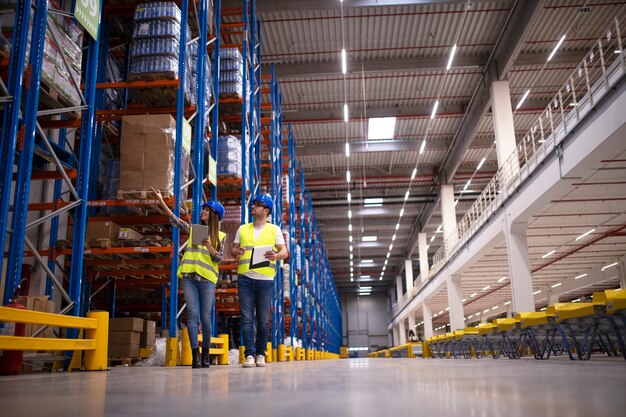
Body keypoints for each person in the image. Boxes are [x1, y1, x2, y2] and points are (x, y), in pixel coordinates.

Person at [152, 186, 225, 369]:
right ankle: (196, 355)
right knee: (192, 315)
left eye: (207, 210)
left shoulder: (220, 236)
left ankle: (206, 353)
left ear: (214, 215)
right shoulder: (196, 229)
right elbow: (175, 221)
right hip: (189, 277)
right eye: (203, 209)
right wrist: (162, 201)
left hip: (207, 280)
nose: (203, 212)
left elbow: (219, 258)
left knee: (206, 318)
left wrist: (209, 246)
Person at [231, 193, 288, 368]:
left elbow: (284, 252)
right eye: (253, 204)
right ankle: (249, 354)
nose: (253, 206)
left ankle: (260, 353)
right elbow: (233, 249)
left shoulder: (274, 229)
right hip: (245, 278)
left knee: (263, 320)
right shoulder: (243, 229)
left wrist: (276, 255)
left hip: (265, 280)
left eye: (257, 204)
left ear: (266, 210)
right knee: (247, 318)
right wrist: (236, 251)